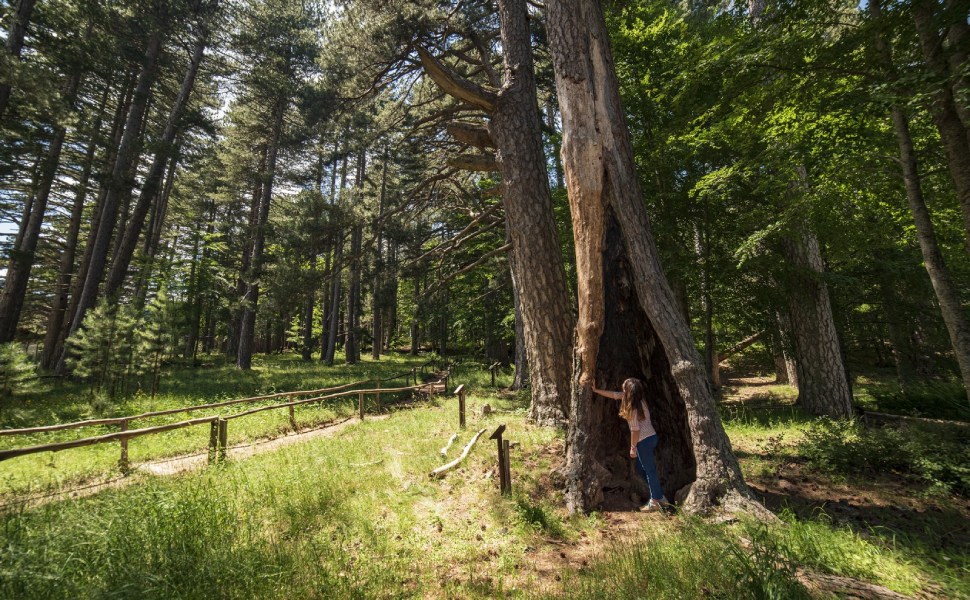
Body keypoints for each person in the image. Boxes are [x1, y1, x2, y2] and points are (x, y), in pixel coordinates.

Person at [592, 378, 672, 512]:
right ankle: (659, 495)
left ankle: (655, 501)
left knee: (649, 471)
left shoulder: (634, 408)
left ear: (628, 391)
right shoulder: (638, 400)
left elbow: (635, 430)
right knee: (642, 469)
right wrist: (595, 390)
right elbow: (614, 395)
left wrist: (633, 447)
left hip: (644, 441)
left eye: (624, 386)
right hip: (651, 438)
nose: (622, 386)